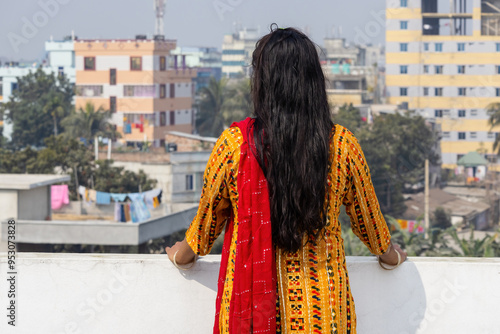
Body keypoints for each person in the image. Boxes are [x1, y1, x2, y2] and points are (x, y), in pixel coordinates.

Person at [166, 26, 407, 334]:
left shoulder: (234, 146)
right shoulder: (342, 146)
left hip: (250, 314)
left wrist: (181, 254)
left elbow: (206, 225)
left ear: (262, 82)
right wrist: (391, 256)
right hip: (321, 312)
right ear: (314, 81)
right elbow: (369, 223)